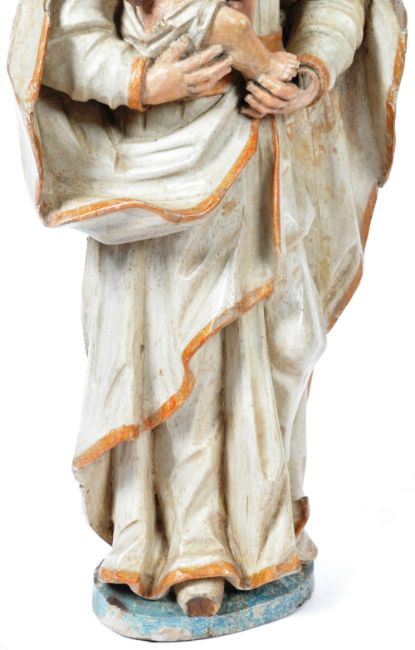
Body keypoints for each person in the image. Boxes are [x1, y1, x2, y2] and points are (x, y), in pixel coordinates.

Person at [8, 0, 407, 619]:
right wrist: (141, 81)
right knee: (178, 356)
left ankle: (260, 534)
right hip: (162, 163)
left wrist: (311, 69)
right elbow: (64, 33)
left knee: (282, 348)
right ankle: (186, 551)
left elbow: (337, 6)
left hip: (268, 149)